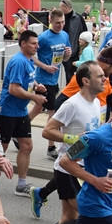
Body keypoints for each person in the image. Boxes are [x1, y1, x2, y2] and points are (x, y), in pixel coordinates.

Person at [29, 62, 106, 224]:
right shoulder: (72, 104)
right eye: (100, 76)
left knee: (68, 219)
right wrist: (73, 138)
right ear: (86, 81)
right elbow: (47, 131)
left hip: (83, 168)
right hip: (67, 170)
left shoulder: (97, 103)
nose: (105, 79)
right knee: (88, 217)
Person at [0, 30, 46, 196]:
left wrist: (37, 86)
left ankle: (21, 184)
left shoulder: (29, 60)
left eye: (37, 43)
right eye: (33, 43)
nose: (37, 46)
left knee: (27, 146)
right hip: (8, 111)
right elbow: (13, 89)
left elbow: (29, 79)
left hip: (20, 112)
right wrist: (34, 97)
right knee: (0, 149)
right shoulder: (18, 61)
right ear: (23, 43)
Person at [34, 8, 73, 159]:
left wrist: (67, 55)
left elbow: (64, 58)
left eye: (63, 22)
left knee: (38, 107)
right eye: (57, 23)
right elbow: (32, 57)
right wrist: (45, 66)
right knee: (52, 111)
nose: (60, 25)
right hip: (43, 79)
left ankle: (18, 131)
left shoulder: (64, 35)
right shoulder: (43, 38)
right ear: (50, 21)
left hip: (55, 78)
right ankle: (51, 147)